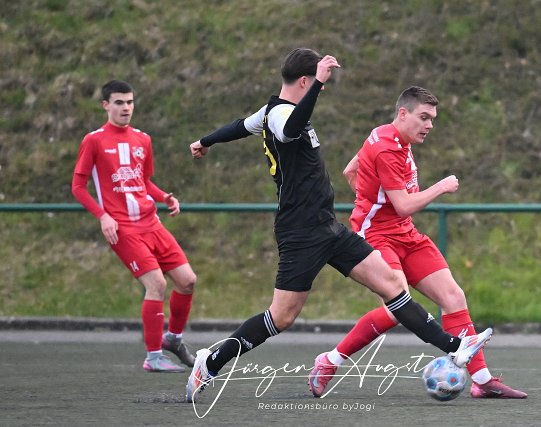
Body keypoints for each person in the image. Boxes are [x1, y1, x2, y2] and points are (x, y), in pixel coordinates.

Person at [185, 48, 492, 403]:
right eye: (316, 82)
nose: (322, 88)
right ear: (304, 81)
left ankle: (456, 346)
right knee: (281, 317)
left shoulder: (268, 112)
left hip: (327, 226)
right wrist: (319, 83)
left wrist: (205, 141)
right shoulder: (282, 115)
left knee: (393, 285)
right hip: (300, 232)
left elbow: (240, 126)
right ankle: (211, 361)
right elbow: (291, 128)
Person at [306, 86, 527, 399]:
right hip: (377, 235)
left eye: (432, 118)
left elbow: (350, 171)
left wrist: (369, 195)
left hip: (405, 233)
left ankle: (482, 381)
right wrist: (441, 187)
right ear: (403, 113)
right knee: (398, 307)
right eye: (424, 117)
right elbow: (404, 205)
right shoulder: (386, 148)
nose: (429, 125)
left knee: (453, 296)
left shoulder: (392, 137)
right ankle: (330, 360)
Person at [71, 80, 197, 373]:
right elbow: (78, 187)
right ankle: (153, 358)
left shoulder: (143, 139)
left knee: (188, 281)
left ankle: (173, 339)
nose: (126, 107)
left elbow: (143, 181)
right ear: (106, 105)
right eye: (119, 102)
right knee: (157, 284)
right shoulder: (94, 140)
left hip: (151, 222)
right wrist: (103, 216)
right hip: (123, 228)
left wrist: (164, 197)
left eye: (129, 102)